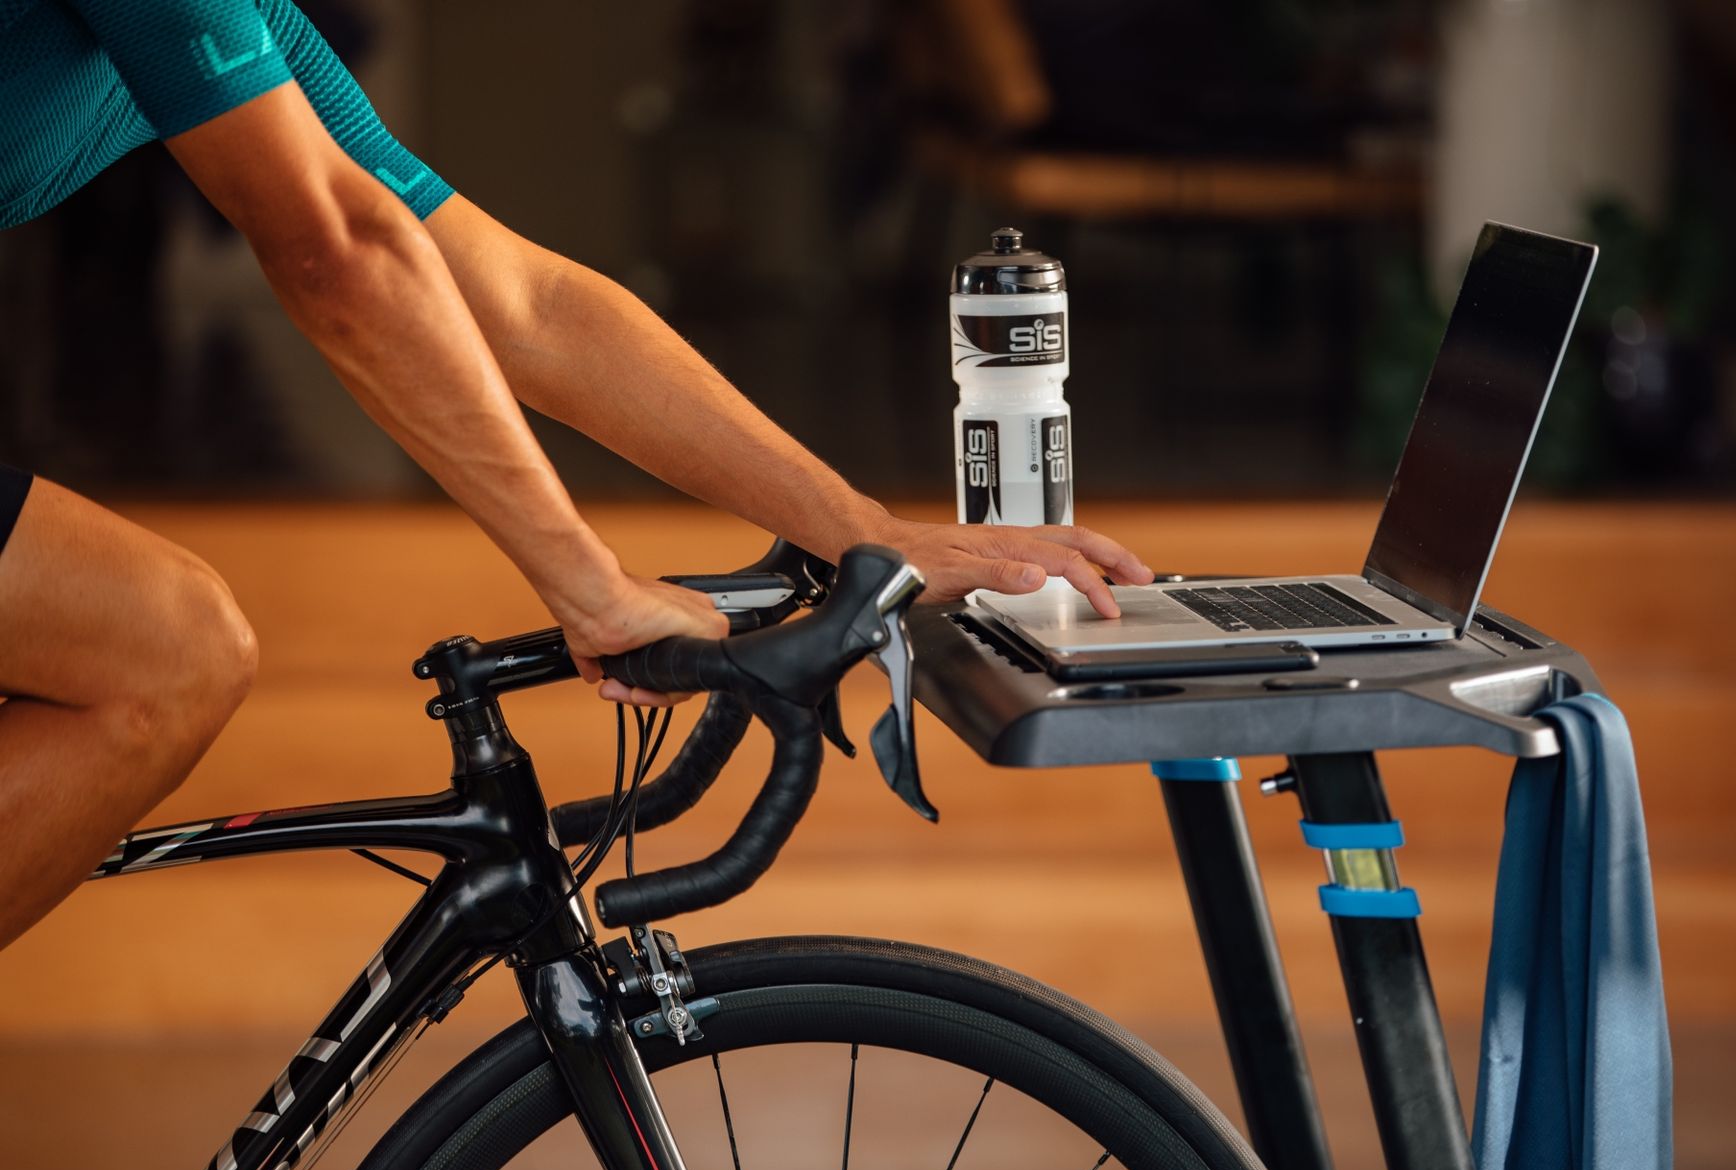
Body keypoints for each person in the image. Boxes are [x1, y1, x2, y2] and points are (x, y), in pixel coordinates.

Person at [0, 0, 1153, 950]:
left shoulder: (255, 26)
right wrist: (585, 579)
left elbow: (518, 301)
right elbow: (335, 252)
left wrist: (859, 526)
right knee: (169, 647)